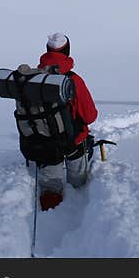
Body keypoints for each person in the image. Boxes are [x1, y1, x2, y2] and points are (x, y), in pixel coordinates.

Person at [34, 33, 98, 210]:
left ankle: (51, 212)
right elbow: (90, 116)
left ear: (47, 50)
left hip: (44, 143)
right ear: (67, 52)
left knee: (50, 191)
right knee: (79, 184)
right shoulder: (74, 80)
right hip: (73, 143)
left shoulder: (34, 79)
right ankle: (79, 209)